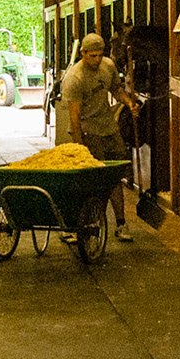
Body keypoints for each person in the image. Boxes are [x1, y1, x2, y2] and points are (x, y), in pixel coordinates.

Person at [60, 32, 139, 241]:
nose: (96, 60)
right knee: (92, 179)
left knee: (114, 176)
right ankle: (85, 223)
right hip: (87, 130)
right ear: (83, 53)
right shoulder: (74, 78)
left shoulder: (108, 65)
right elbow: (74, 116)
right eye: (91, 56)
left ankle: (121, 223)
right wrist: (80, 146)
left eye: (99, 55)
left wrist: (128, 102)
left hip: (108, 128)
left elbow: (115, 89)